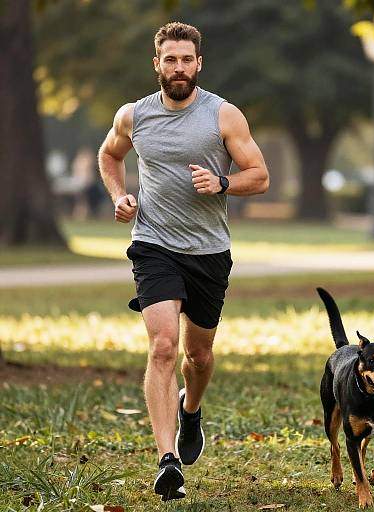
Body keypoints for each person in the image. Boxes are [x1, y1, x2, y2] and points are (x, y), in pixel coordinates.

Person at [98, 21, 269, 501]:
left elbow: (259, 175)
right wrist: (120, 195)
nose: (178, 68)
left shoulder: (223, 115)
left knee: (198, 355)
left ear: (199, 63)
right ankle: (166, 459)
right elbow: (110, 156)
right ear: (157, 64)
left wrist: (223, 183)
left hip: (209, 251)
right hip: (154, 243)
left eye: (186, 59)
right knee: (163, 349)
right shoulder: (134, 115)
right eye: (170, 59)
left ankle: (191, 410)